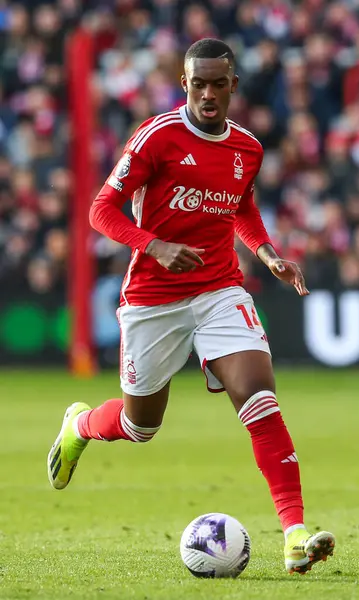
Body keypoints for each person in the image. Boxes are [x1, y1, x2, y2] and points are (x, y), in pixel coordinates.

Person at [47, 38, 335, 574]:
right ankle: (80, 426)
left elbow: (242, 207)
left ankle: (294, 533)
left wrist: (268, 255)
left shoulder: (247, 147)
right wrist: (152, 244)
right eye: (197, 83)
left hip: (220, 288)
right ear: (184, 84)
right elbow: (100, 209)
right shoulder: (157, 136)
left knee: (259, 396)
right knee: (140, 427)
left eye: (217, 84)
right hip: (153, 299)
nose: (207, 93)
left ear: (232, 87)